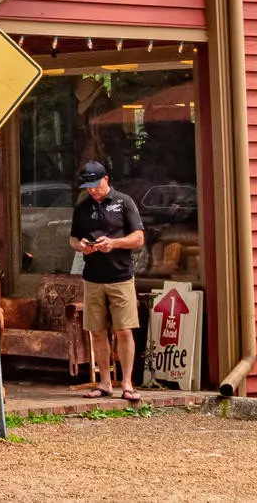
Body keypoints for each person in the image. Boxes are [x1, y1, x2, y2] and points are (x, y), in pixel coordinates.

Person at [70, 160, 145, 400]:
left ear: (106, 179)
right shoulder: (82, 208)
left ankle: (127, 383)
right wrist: (81, 246)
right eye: (88, 186)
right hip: (93, 278)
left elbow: (138, 239)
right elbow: (73, 239)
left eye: (95, 185)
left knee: (123, 330)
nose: (92, 190)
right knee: (97, 331)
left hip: (121, 276)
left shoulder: (124, 202)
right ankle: (104, 382)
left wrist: (113, 243)